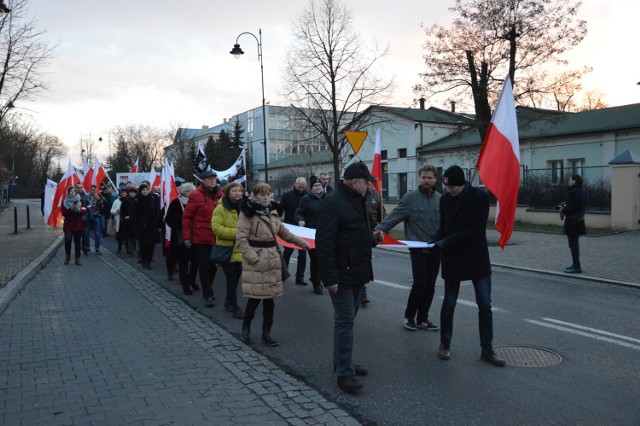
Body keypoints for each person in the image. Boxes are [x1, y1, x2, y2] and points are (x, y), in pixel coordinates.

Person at [316, 162, 383, 394]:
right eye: (367, 182)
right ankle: (345, 373)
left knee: (348, 321)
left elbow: (355, 233)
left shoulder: (358, 200)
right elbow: (324, 244)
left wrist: (373, 238)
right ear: (355, 182)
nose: (370, 187)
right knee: (345, 323)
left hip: (357, 272)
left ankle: (342, 362)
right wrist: (330, 278)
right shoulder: (333, 203)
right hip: (341, 275)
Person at [432, 165, 505, 367]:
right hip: (452, 259)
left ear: (463, 183)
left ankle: (487, 350)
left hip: (476, 258)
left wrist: (445, 242)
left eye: (453, 187)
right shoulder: (445, 199)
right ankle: (444, 344)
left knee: (484, 305)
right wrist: (433, 241)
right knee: (448, 304)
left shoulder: (480, 198)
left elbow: (474, 231)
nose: (449, 191)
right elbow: (443, 228)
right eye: (447, 187)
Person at [236, 183, 309, 347]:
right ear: (255, 196)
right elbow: (240, 240)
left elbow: (285, 234)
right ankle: (246, 326)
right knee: (254, 298)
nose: (266, 197)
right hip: (256, 260)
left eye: (268, 194)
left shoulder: (274, 213)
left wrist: (302, 243)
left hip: (273, 261)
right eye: (262, 194)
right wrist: (253, 258)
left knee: (270, 301)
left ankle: (266, 333)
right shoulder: (247, 213)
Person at [375, 164, 440, 330]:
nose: (426, 180)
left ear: (435, 179)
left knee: (431, 285)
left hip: (436, 249)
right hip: (417, 248)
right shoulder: (410, 198)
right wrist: (377, 231)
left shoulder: (441, 199)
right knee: (420, 283)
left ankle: (423, 318)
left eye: (429, 177)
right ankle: (409, 316)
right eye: (423, 177)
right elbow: (394, 216)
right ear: (420, 178)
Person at [182, 170, 223, 307]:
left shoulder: (220, 195)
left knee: (213, 267)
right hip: (200, 238)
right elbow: (187, 217)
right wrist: (187, 237)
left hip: (217, 237)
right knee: (204, 266)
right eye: (210, 178)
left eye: (214, 178)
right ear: (203, 180)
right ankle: (208, 294)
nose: (213, 181)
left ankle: (208, 289)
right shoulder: (196, 195)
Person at [211, 182, 245, 319]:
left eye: (240, 191)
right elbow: (216, 229)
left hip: (241, 249)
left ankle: (228, 301)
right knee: (231, 279)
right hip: (227, 249)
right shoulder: (220, 209)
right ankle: (235, 308)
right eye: (235, 191)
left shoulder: (243, 207)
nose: (238, 193)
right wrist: (237, 233)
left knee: (236, 279)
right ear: (228, 193)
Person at [294, 176, 327, 295]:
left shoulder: (328, 198)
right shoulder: (305, 199)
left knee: (325, 259)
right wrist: (300, 220)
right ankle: (316, 283)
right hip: (311, 234)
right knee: (316, 259)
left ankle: (321, 278)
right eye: (315, 186)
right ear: (311, 188)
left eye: (319, 185)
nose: (318, 187)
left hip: (326, 233)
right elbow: (298, 213)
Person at [165, 183, 199, 295]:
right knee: (183, 263)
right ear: (182, 192)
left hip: (196, 235)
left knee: (196, 261)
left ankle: (192, 280)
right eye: (188, 191)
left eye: (192, 190)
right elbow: (168, 219)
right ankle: (185, 285)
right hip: (180, 237)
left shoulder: (197, 203)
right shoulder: (175, 203)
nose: (191, 193)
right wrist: (182, 223)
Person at [278, 177, 308, 285]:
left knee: (303, 253)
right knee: (287, 251)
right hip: (289, 227)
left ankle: (300, 277)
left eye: (303, 187)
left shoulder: (308, 195)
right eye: (299, 187)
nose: (301, 189)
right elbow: (280, 209)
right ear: (295, 184)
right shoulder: (287, 195)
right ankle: (283, 273)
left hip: (302, 228)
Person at [361, 181, 386, 305]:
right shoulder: (355, 195)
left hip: (371, 235)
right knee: (359, 262)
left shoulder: (375, 195)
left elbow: (382, 215)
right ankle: (362, 291)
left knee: (366, 262)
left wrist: (381, 228)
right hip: (357, 235)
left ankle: (362, 289)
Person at [560, 174, 588, 273]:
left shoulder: (572, 192)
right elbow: (577, 204)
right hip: (579, 220)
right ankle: (575, 264)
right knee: (575, 244)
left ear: (575, 181)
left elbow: (570, 207)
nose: (568, 181)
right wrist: (565, 205)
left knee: (573, 245)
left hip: (572, 221)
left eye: (570, 179)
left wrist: (563, 208)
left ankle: (576, 266)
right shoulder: (583, 191)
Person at [133, 184, 161, 269]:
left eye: (146, 190)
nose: (145, 192)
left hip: (151, 225)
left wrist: (157, 222)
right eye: (143, 190)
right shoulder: (137, 200)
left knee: (151, 244)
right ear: (140, 191)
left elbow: (157, 211)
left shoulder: (152, 199)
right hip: (141, 225)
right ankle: (144, 260)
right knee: (143, 244)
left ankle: (149, 260)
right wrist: (137, 224)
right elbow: (135, 214)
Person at [61, 186, 87, 266]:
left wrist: (78, 210)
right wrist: (71, 209)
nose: (73, 192)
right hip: (68, 224)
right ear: (68, 192)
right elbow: (64, 214)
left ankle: (77, 258)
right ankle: (67, 257)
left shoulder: (80, 201)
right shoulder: (64, 202)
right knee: (68, 240)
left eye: (74, 191)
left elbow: (84, 211)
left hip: (78, 224)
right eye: (71, 191)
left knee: (77, 242)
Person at [84, 185, 103, 255]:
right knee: (87, 233)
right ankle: (87, 246)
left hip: (96, 217)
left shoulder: (98, 197)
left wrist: (99, 199)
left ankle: (97, 248)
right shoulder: (86, 197)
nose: (94, 192)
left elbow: (102, 206)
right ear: (90, 190)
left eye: (95, 190)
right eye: (93, 190)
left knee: (97, 233)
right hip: (88, 217)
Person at [120, 188, 138, 257]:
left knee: (135, 237)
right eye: (130, 193)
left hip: (135, 221)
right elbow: (122, 211)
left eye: (133, 193)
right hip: (128, 222)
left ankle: (136, 249)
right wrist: (125, 216)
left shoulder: (137, 201)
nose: (132, 194)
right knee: (129, 237)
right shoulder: (126, 201)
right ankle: (130, 251)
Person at [110, 189, 127, 253]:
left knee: (127, 234)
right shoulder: (116, 201)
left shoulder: (128, 200)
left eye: (124, 192)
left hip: (127, 220)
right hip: (119, 220)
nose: (123, 194)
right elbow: (111, 211)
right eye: (122, 192)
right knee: (120, 235)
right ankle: (119, 248)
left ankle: (129, 249)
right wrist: (117, 211)